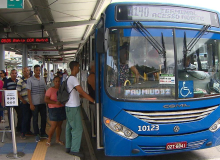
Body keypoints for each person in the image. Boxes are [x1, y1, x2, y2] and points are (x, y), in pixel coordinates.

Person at [65, 61, 95, 158]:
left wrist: (81, 97)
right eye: (78, 67)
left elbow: (76, 93)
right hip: (73, 107)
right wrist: (93, 100)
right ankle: (74, 150)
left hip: (69, 106)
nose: (79, 69)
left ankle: (68, 147)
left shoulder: (68, 78)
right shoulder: (73, 79)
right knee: (77, 128)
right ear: (74, 67)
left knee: (69, 127)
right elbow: (81, 91)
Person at [27, 65, 48, 142]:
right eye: (37, 70)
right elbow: (29, 92)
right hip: (34, 103)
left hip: (42, 102)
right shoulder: (30, 80)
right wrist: (31, 104)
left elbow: (45, 90)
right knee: (35, 119)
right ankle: (37, 134)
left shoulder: (42, 79)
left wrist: (47, 100)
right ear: (34, 71)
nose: (38, 72)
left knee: (44, 118)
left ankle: (43, 132)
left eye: (39, 70)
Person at [45, 76, 66, 146]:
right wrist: (55, 103)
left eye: (59, 81)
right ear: (53, 82)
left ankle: (58, 139)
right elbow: (46, 100)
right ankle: (49, 139)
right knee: (53, 125)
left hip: (61, 108)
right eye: (56, 81)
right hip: (53, 109)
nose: (57, 83)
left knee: (59, 125)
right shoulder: (50, 90)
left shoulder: (62, 89)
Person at [16, 67, 33, 139]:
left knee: (29, 117)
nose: (26, 72)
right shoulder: (20, 81)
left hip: (31, 102)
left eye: (28, 71)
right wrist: (22, 100)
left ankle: (27, 131)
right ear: (23, 72)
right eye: (25, 71)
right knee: (25, 117)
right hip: (24, 102)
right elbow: (17, 92)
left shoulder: (32, 79)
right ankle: (22, 132)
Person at [87, 61, 96, 135]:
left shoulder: (92, 75)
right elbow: (95, 88)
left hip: (94, 101)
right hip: (94, 101)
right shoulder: (92, 76)